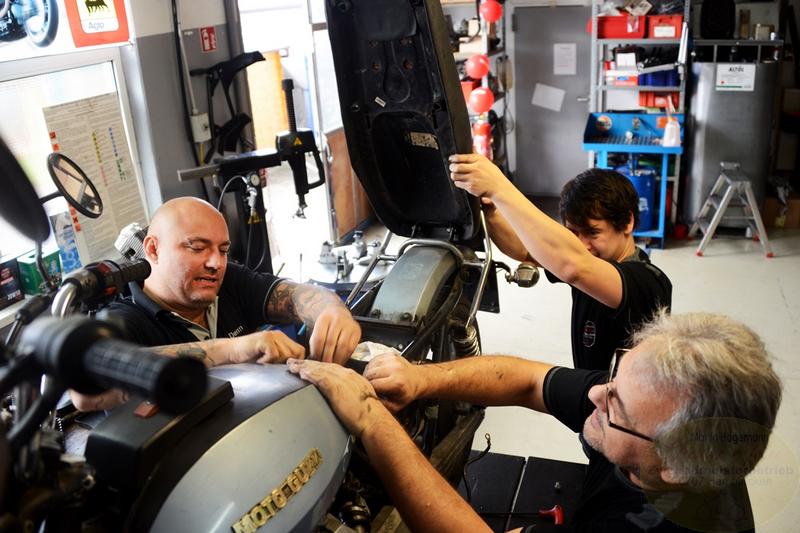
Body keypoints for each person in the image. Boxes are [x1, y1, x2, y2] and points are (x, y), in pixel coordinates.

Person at [288, 311, 782, 532]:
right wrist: (421, 379)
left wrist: (373, 423)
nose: (595, 395)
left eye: (615, 405)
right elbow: (529, 380)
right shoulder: (646, 407)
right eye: (613, 377)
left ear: (672, 466)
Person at [71, 196, 361, 412]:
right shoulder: (124, 317)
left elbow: (293, 295)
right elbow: (84, 395)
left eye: (222, 250)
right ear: (153, 249)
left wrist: (329, 306)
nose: (216, 263)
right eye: (197, 248)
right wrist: (233, 350)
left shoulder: (227, 280)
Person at [448, 155, 672, 371]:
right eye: (573, 233)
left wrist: (501, 188)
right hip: (590, 397)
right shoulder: (587, 261)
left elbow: (575, 266)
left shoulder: (648, 282)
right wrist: (492, 209)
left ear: (627, 223)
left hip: (628, 407)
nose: (583, 245)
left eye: (593, 233)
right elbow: (526, 249)